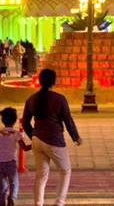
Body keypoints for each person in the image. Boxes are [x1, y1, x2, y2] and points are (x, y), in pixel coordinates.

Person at [22, 69, 81, 206]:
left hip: (37, 140)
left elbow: (25, 122)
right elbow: (68, 119)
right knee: (65, 171)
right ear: (54, 81)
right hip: (54, 140)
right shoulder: (59, 98)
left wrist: (34, 135)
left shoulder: (32, 99)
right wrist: (76, 137)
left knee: (41, 175)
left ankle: (38, 203)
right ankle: (59, 202)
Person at [0, 107, 32, 206]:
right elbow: (24, 147)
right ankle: (12, 198)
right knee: (14, 183)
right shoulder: (16, 133)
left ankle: (1, 203)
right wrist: (35, 145)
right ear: (15, 120)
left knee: (2, 186)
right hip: (10, 162)